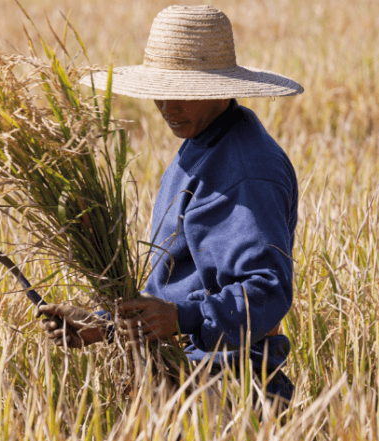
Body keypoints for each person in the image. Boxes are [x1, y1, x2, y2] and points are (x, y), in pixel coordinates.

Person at [38, 4, 303, 404]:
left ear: (219, 88)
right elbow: (178, 287)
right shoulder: (201, 146)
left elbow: (267, 290)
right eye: (160, 91)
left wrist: (184, 319)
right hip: (181, 378)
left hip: (230, 389)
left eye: (183, 92)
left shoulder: (247, 170)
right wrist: (103, 325)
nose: (168, 106)